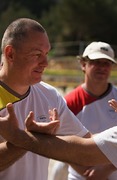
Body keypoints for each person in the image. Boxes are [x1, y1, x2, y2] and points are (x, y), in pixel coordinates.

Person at [2, 27, 117, 179]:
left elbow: (86, 149)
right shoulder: (66, 98)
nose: (46, 63)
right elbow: (85, 148)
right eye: (37, 54)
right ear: (83, 64)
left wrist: (20, 137)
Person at [0, 18, 91, 180]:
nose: (45, 63)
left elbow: (84, 144)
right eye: (36, 54)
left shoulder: (49, 95)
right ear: (10, 54)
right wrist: (29, 140)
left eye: (46, 54)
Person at [50, 41, 117, 180]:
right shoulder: (68, 102)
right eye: (96, 62)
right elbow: (62, 145)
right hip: (80, 176)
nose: (102, 67)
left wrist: (106, 170)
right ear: (83, 64)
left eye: (106, 63)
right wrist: (88, 174)